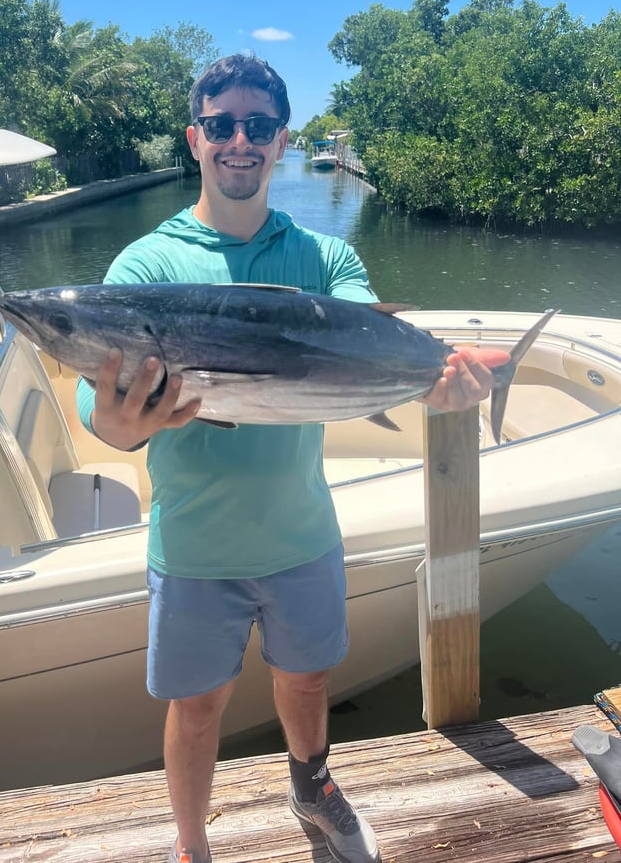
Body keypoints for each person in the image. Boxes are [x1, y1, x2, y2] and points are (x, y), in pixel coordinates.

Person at [76, 54, 494, 863]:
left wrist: (440, 387)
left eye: (258, 126)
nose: (241, 140)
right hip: (194, 548)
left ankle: (313, 790)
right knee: (196, 709)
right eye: (223, 125)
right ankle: (191, 847)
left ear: (281, 140)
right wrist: (125, 425)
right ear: (195, 138)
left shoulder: (325, 260)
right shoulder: (146, 271)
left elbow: (371, 348)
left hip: (303, 534)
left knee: (305, 682)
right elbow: (110, 424)